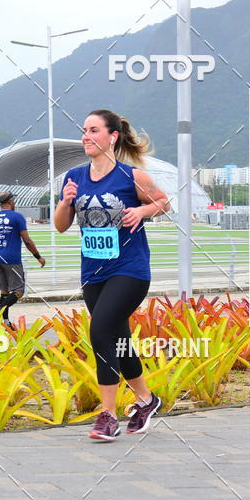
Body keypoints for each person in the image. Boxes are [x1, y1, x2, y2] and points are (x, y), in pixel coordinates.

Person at [54, 110, 170, 441]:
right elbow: (61, 226)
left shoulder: (131, 177)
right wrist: (66, 202)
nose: (86, 137)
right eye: (84, 131)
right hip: (94, 272)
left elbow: (163, 202)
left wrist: (143, 210)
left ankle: (108, 416)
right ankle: (147, 400)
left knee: (101, 330)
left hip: (130, 270)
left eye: (93, 130)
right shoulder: (74, 177)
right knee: (119, 341)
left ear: (112, 137)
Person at [0, 191, 46, 328]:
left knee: (4, 291)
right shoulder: (17, 217)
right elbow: (27, 241)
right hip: (11, 258)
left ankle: (6, 322)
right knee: (19, 291)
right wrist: (38, 257)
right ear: (11, 201)